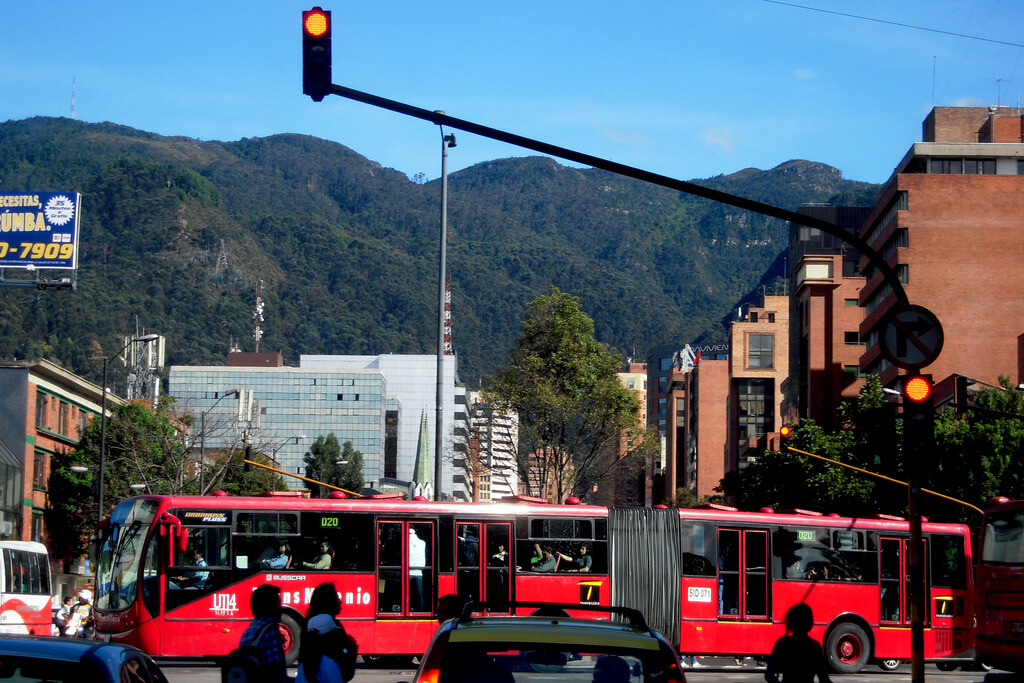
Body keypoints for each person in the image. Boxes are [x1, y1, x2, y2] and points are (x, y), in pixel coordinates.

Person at [296, 581, 358, 683]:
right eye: (336, 597)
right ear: (330, 602)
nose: (340, 601)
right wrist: (352, 648)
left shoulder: (308, 627)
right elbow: (346, 674)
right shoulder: (333, 628)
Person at [764, 603, 833, 683]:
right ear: (810, 623)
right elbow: (824, 678)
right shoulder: (814, 647)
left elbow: (769, 675)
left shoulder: (782, 644)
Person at [238, 584, 289, 683]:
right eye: (278, 603)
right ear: (270, 607)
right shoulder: (270, 630)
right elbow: (276, 672)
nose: (281, 607)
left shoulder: (250, 630)